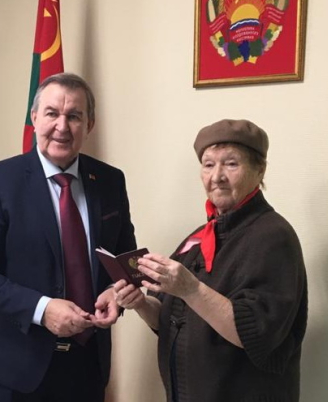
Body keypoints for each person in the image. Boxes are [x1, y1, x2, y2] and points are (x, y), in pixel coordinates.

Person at [0, 73, 137, 402]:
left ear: (89, 124)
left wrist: (116, 292)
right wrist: (42, 309)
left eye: (74, 116)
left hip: (87, 364)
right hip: (14, 368)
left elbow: (125, 261)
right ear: (35, 117)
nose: (62, 127)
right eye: (52, 113)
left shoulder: (110, 180)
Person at [114, 119, 308, 402]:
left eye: (231, 164)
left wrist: (191, 288)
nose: (217, 176)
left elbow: (255, 334)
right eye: (208, 165)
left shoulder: (273, 236)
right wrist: (141, 304)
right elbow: (169, 318)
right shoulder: (198, 237)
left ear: (260, 170)